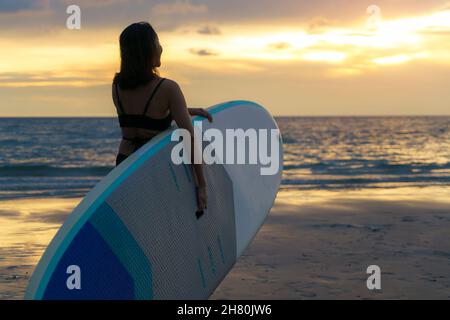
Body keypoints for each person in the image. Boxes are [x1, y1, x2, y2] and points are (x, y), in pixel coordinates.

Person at [112, 22, 211, 211]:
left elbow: (141, 116)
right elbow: (189, 138)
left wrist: (184, 109)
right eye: (156, 42)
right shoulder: (168, 88)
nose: (161, 47)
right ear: (146, 50)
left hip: (124, 165)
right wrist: (202, 185)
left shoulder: (117, 86)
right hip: (153, 167)